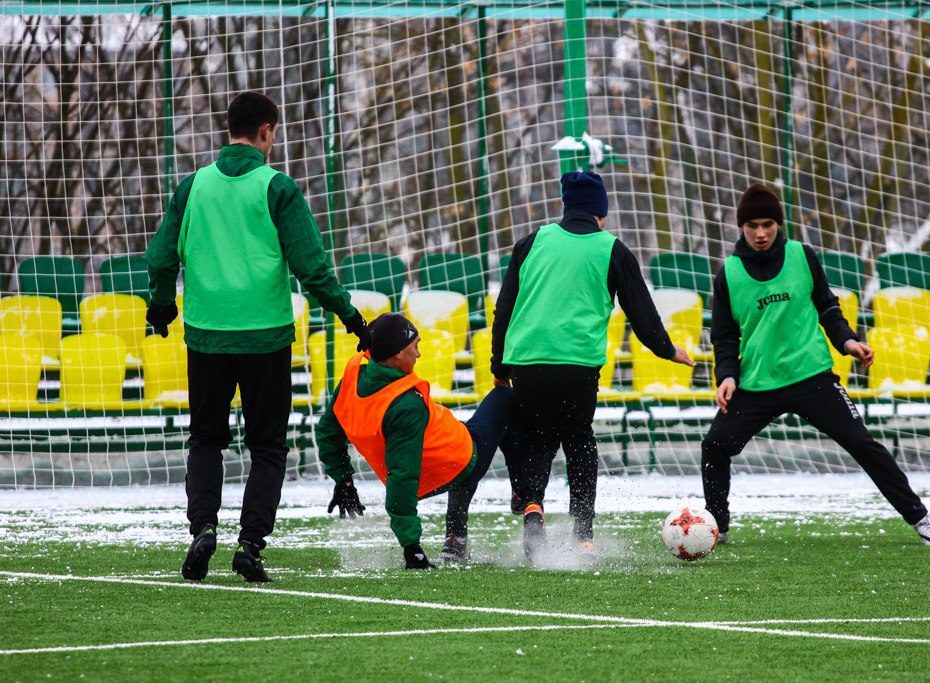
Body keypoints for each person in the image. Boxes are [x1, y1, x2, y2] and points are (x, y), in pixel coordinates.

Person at [145, 91, 371, 583]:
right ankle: (249, 545)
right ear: (266, 131)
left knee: (206, 440)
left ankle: (204, 528)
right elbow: (312, 269)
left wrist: (161, 305)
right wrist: (352, 318)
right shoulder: (277, 187)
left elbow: (160, 258)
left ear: (231, 129)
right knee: (267, 447)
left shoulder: (192, 186)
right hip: (266, 340)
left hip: (207, 337)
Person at [702, 183, 930, 546]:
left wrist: (847, 341)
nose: (761, 232)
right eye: (752, 225)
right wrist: (727, 376)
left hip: (811, 376)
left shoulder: (802, 256)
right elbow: (724, 338)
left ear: (778, 224)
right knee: (714, 445)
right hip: (757, 383)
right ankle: (717, 527)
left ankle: (919, 516)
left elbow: (828, 307)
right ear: (742, 227)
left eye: (767, 224)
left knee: (862, 443)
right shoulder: (729, 273)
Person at [491, 171, 695, 563]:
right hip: (578, 364)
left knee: (538, 439)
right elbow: (640, 311)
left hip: (528, 361)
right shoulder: (611, 248)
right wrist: (667, 349)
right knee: (579, 439)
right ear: (601, 213)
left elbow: (504, 309)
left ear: (566, 207)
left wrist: (499, 366)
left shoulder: (531, 242)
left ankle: (533, 508)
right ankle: (583, 532)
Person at [316, 313, 515, 568]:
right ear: (399, 354)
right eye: (415, 346)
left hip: (437, 459)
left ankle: (456, 537)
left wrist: (343, 480)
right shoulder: (405, 404)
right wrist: (411, 547)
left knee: (461, 453)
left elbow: (327, 430)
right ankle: (526, 493)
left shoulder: (354, 373)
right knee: (506, 396)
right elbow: (402, 474)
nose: (419, 354)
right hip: (460, 458)